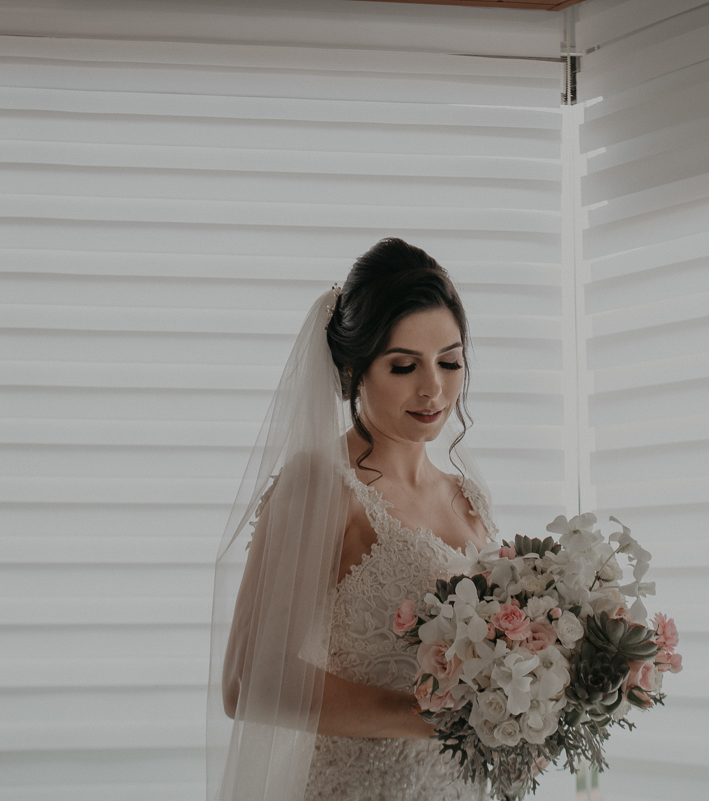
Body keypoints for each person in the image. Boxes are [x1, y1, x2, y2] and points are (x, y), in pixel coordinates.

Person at [208, 239, 499, 800]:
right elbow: (247, 684)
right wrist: (431, 715)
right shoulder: (319, 484)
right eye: (403, 365)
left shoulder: (468, 496)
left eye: (450, 361)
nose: (433, 388)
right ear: (352, 368)